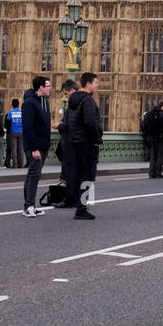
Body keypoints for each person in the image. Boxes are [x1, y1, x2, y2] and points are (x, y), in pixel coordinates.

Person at [64, 73, 103, 220]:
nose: (97, 85)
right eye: (95, 82)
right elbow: (90, 123)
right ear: (88, 84)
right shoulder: (87, 101)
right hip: (87, 143)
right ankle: (81, 208)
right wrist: (96, 139)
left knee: (79, 174)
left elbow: (69, 122)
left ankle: (79, 204)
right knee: (88, 176)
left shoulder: (73, 101)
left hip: (75, 142)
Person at [21, 76, 53, 217]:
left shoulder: (45, 101)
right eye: (48, 86)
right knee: (33, 175)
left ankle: (30, 205)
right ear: (40, 87)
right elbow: (28, 128)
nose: (50, 88)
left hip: (43, 144)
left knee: (34, 175)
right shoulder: (29, 103)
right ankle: (28, 206)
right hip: (35, 146)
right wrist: (34, 148)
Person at [52, 80, 79, 208]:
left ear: (72, 91)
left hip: (72, 144)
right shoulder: (78, 103)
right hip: (71, 144)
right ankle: (76, 201)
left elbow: (74, 125)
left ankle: (73, 202)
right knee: (73, 174)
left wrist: (61, 125)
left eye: (66, 93)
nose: (65, 96)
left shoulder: (77, 104)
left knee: (70, 174)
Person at [142, 100, 163, 178]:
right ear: (162, 106)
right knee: (161, 156)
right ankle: (158, 173)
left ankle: (151, 173)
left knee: (153, 156)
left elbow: (145, 126)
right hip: (161, 138)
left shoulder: (149, 113)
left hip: (152, 138)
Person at [6, 98, 24, 168]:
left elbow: (7, 123)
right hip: (21, 132)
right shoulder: (22, 112)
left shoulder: (11, 112)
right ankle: (21, 163)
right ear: (18, 104)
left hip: (13, 132)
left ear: (12, 104)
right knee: (21, 148)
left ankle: (15, 164)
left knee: (14, 149)